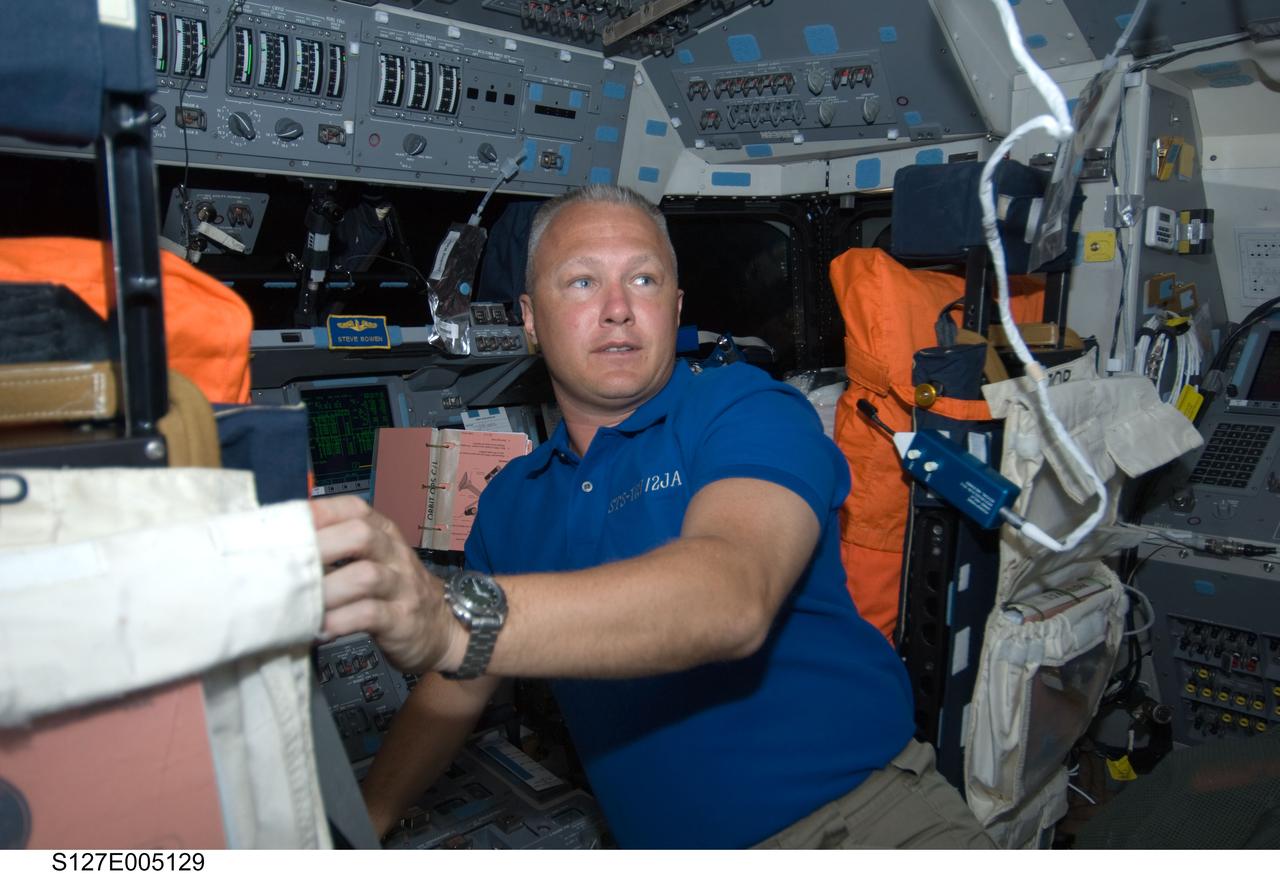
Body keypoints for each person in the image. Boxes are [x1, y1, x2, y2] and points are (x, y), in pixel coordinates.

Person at [312, 184, 994, 849]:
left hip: (861, 825)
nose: (617, 309)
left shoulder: (744, 410)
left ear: (675, 306)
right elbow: (457, 685)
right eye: (581, 282)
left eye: (643, 280)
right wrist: (362, 822)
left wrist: (451, 618)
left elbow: (732, 595)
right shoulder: (510, 500)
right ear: (526, 316)